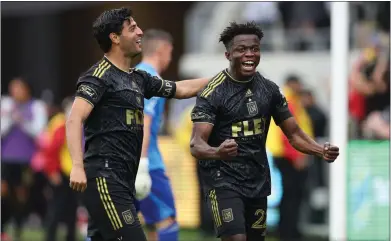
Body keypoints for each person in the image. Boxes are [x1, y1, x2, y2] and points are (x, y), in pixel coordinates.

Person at [66, 7, 210, 241]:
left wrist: (223, 78)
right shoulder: (98, 76)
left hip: (125, 179)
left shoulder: (139, 78)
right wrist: (77, 165)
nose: (140, 32)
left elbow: (181, 89)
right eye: (132, 28)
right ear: (114, 38)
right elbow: (74, 119)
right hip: (105, 177)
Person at [189, 21, 339, 241]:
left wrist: (320, 150)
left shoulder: (269, 90)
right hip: (223, 180)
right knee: (236, 238)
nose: (250, 54)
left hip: (257, 180)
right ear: (228, 55)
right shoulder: (213, 92)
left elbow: (294, 133)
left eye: (255, 49)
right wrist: (217, 152)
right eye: (242, 49)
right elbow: (196, 144)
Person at [133, 29, 179, 241]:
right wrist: (142, 165)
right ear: (163, 50)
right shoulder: (152, 79)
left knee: (115, 224)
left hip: (122, 164)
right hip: (148, 164)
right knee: (166, 222)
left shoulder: (131, 75)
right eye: (170, 51)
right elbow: (144, 120)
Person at [1, 77, 48, 240]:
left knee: (22, 195)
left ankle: (19, 227)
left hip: (27, 159)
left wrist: (22, 121)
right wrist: (9, 118)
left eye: (18, 88)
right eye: (12, 88)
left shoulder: (36, 106)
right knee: (3, 191)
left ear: (27, 89)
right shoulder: (5, 105)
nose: (15, 92)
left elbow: (40, 133)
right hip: (5, 157)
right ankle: (3, 228)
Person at [43, 97, 79, 241]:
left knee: (73, 208)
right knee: (57, 209)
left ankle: (70, 237)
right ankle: (50, 237)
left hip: (74, 173)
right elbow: (51, 150)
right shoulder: (60, 124)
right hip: (62, 173)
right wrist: (52, 172)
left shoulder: (79, 124)